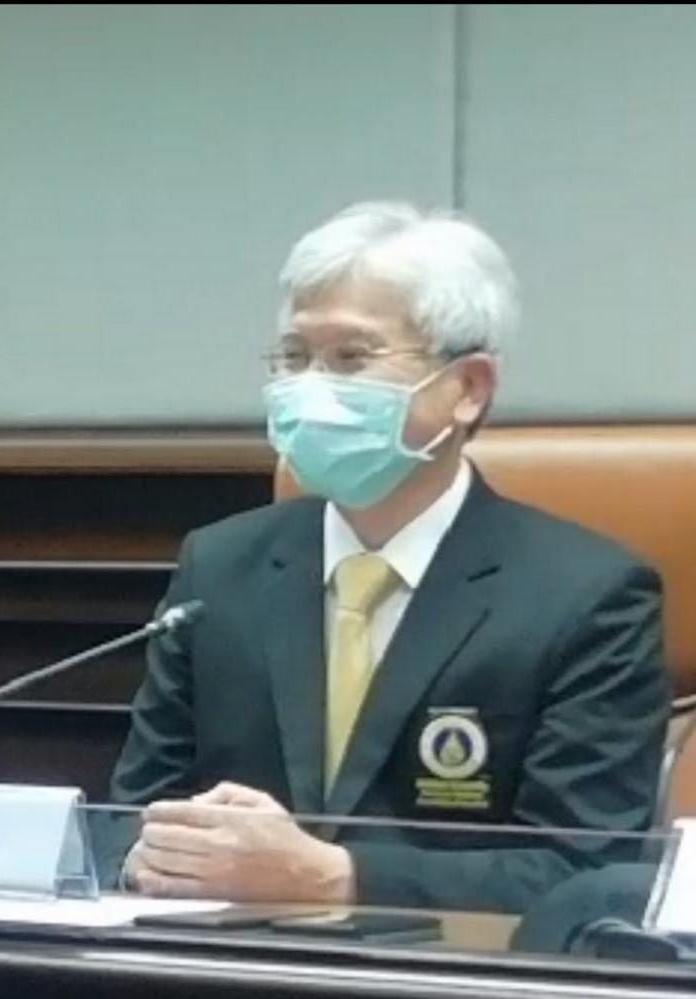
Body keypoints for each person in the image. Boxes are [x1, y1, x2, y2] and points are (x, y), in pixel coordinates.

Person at [112, 202, 670, 912]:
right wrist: (148, 856)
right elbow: (128, 817)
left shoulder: (586, 595)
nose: (310, 386)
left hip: (450, 965)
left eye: (351, 357)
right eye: (294, 357)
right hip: (221, 955)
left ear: (468, 388)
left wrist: (335, 876)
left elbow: (581, 869)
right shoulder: (219, 567)